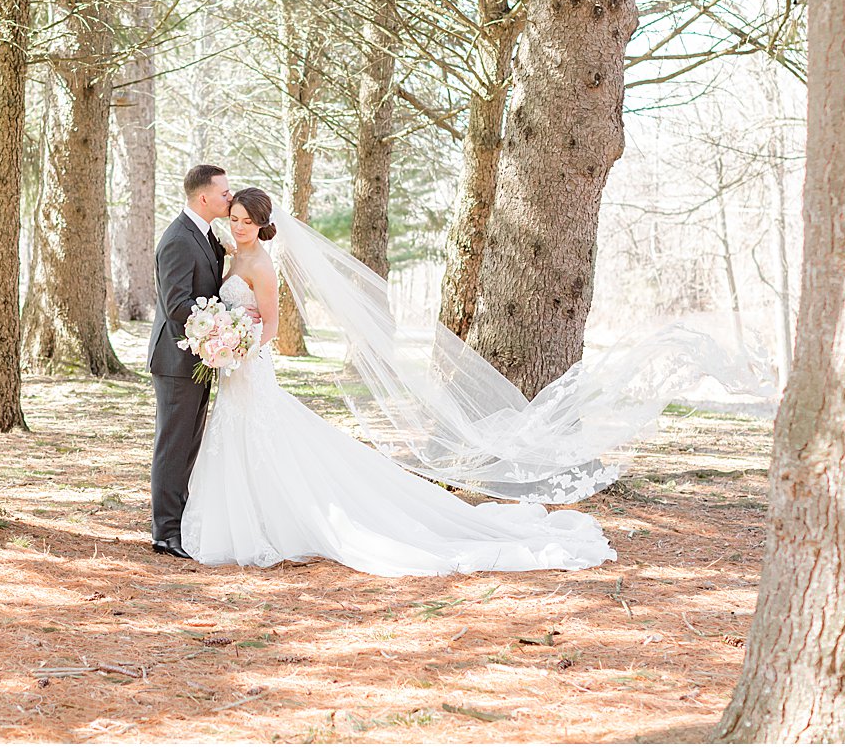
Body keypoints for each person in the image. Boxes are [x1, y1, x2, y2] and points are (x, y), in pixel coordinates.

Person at [179, 188, 616, 576]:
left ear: (263, 226)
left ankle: (279, 522)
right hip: (233, 367)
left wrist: (237, 349)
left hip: (250, 364)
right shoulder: (231, 253)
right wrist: (221, 340)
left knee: (262, 435)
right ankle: (248, 516)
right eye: (234, 219)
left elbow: (270, 326)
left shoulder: (261, 265)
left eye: (247, 222)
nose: (239, 227)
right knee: (238, 437)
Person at [146, 164, 249, 558]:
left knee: (188, 444)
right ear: (203, 197)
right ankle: (165, 533)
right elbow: (177, 305)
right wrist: (224, 325)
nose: (230, 197)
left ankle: (180, 524)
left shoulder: (205, 234)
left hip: (200, 357)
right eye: (224, 193)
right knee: (173, 445)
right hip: (176, 359)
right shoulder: (177, 239)